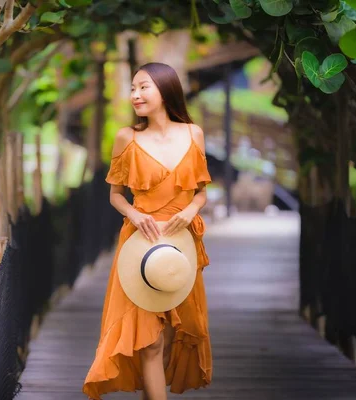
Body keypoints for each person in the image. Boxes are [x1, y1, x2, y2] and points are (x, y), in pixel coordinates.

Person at [82, 62, 213, 400]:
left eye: (143, 87)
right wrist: (135, 215)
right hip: (141, 243)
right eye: (132, 88)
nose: (135, 95)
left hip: (182, 242)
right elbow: (114, 195)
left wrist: (190, 209)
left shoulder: (193, 133)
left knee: (173, 335)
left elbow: (202, 191)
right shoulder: (128, 137)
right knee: (150, 341)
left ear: (165, 89)